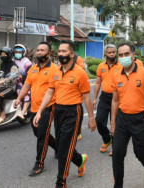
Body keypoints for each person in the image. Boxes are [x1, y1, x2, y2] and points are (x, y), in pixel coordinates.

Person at [33, 40, 96, 188]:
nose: (60, 54)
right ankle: (80, 160)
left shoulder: (80, 73)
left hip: (73, 112)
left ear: (72, 54)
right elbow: (50, 92)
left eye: (64, 51)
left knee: (63, 149)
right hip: (58, 110)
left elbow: (86, 97)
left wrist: (91, 118)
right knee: (63, 146)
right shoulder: (55, 71)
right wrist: (40, 112)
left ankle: (61, 181)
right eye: (59, 51)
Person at [111, 43, 144, 187]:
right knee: (117, 154)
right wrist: (113, 123)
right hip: (122, 118)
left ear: (133, 55)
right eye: (120, 55)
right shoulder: (116, 75)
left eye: (126, 54)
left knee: (141, 153)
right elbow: (115, 101)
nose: (123, 57)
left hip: (140, 118)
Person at [14, 42, 58, 176]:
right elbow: (26, 86)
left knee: (42, 136)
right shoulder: (33, 69)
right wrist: (19, 99)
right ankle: (58, 147)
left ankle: (39, 163)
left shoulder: (55, 69)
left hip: (48, 107)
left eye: (42, 50)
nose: (38, 52)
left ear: (49, 54)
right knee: (37, 132)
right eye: (38, 50)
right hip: (34, 107)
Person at [93, 44, 122, 156]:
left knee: (116, 123)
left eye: (113, 52)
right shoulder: (101, 66)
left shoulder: (121, 65)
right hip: (104, 97)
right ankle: (107, 139)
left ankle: (115, 145)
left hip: (118, 97)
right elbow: (97, 82)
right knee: (99, 121)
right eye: (109, 52)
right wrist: (95, 98)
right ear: (106, 54)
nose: (112, 54)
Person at [0, 46, 18, 124]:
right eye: (1, 54)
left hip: (10, 87)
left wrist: (4, 80)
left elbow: (12, 77)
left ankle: (2, 115)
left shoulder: (13, 65)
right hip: (2, 86)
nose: (2, 56)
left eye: (4, 54)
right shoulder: (2, 64)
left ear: (9, 55)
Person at [13, 44, 33, 119]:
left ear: (23, 52)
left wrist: (22, 77)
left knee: (27, 94)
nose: (17, 53)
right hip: (17, 82)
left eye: (19, 52)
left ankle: (24, 110)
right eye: (16, 52)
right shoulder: (14, 61)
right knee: (18, 94)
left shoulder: (27, 62)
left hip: (26, 82)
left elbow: (30, 74)